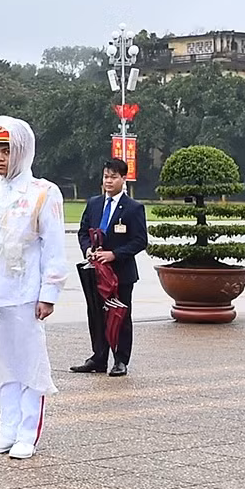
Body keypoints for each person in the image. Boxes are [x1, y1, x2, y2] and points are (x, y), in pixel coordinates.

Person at [0, 117, 70, 461]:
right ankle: (7, 429)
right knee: (1, 364)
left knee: (29, 364)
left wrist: (50, 292)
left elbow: (54, 246)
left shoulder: (43, 192)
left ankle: (28, 432)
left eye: (7, 151)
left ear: (22, 151)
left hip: (25, 293)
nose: (0, 158)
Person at [73, 158, 148, 377]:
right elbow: (83, 231)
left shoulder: (133, 208)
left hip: (121, 273)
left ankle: (120, 359)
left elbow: (139, 241)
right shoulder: (94, 203)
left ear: (123, 179)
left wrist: (113, 254)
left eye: (114, 177)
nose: (109, 181)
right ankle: (98, 357)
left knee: (120, 316)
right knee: (96, 315)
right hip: (95, 272)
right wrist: (88, 250)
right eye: (106, 176)